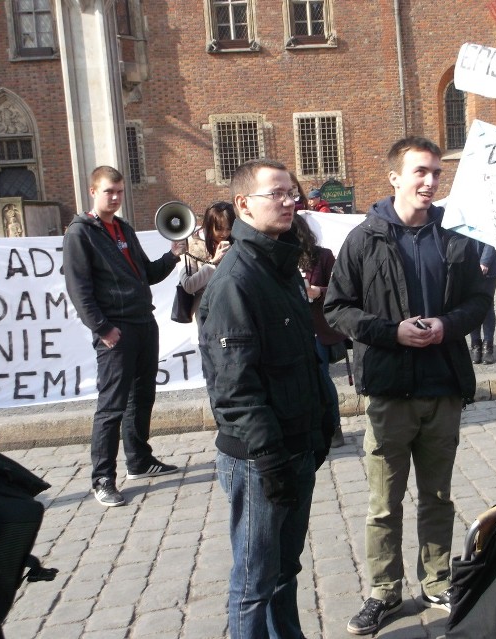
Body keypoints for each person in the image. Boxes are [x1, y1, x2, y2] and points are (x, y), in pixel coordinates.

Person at [325, 136, 490, 635]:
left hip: (442, 387)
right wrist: (389, 332)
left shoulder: (454, 236)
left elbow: (480, 300)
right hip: (389, 392)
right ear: (394, 176)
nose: (430, 182)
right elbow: (337, 308)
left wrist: (448, 325)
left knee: (437, 494)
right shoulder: (364, 238)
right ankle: (384, 590)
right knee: (384, 502)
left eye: (436, 173)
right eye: (420, 172)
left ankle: (437, 580)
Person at [197, 158, 331, 639]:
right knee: (253, 581)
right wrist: (270, 457)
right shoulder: (237, 277)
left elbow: (304, 357)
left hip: (295, 443)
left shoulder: (280, 263)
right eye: (276, 192)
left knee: (284, 571)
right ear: (243, 204)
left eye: (291, 191)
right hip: (259, 458)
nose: (289, 199)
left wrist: (322, 423)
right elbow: (234, 387)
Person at [63, 165, 183, 507]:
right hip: (115, 329)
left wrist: (172, 257)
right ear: (93, 192)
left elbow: (146, 274)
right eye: (108, 192)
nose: (115, 198)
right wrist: (102, 328)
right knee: (111, 406)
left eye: (119, 192)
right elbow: (78, 288)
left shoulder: (123, 228)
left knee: (142, 396)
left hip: (143, 323)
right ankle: (102, 478)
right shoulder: (80, 233)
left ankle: (139, 461)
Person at [291, 212, 347, 448]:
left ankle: (333, 426)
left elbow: (340, 288)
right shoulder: (274, 259)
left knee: (321, 378)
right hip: (289, 329)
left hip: (316, 329)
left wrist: (318, 292)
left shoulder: (322, 256)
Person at [179, 201, 235, 318]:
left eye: (228, 228)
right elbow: (188, 285)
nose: (224, 233)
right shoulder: (192, 244)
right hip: (206, 309)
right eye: (219, 228)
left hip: (233, 305)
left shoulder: (236, 242)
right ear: (209, 225)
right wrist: (213, 262)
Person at [469, 240, 496, 364]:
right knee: (471, 306)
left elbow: (492, 237)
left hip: (488, 266)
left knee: (487, 306)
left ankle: (488, 347)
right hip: (468, 265)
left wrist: (485, 261)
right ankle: (475, 345)